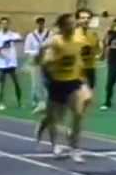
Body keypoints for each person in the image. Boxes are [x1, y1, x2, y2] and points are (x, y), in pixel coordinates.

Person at [36, 13, 92, 163]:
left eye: (73, 23)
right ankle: (55, 145)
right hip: (57, 82)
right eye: (69, 24)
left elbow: (80, 57)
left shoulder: (79, 39)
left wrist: (82, 75)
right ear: (62, 27)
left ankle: (75, 148)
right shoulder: (55, 42)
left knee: (78, 115)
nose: (73, 26)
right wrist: (47, 59)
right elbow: (43, 62)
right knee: (55, 117)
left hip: (73, 81)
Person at [0, 17, 23, 111]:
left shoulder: (12, 34)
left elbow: (20, 38)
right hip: (1, 62)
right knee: (1, 84)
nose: (4, 25)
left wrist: (13, 40)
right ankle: (0, 103)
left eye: (6, 23)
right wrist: (1, 46)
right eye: (2, 23)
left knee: (17, 83)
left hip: (11, 62)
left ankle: (19, 102)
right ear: (0, 24)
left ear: (9, 24)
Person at [24, 17, 51, 113]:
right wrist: (36, 52)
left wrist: (45, 52)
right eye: (39, 23)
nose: (40, 25)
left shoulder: (49, 34)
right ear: (36, 24)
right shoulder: (31, 36)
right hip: (35, 60)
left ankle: (45, 102)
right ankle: (36, 100)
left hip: (46, 61)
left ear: (44, 24)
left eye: (42, 23)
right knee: (35, 82)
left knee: (46, 82)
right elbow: (26, 49)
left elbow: (52, 46)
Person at [74, 8, 101, 89]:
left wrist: (102, 48)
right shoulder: (72, 34)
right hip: (76, 70)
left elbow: (99, 54)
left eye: (88, 18)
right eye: (83, 18)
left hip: (90, 70)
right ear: (77, 20)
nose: (86, 20)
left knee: (89, 96)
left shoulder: (94, 35)